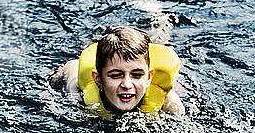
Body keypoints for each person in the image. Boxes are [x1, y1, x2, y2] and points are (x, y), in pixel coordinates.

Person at [49, 26, 185, 116]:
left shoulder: (169, 104)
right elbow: (69, 68)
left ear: (149, 77)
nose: (127, 85)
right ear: (98, 79)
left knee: (162, 41)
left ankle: (157, 20)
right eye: (115, 76)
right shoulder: (78, 93)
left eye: (137, 75)